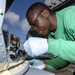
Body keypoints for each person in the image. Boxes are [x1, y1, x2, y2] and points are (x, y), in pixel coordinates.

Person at [24, 2, 75, 72]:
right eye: (32, 27)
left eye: (34, 23)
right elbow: (66, 57)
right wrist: (44, 64)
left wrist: (49, 44)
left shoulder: (71, 16)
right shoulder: (51, 35)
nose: (34, 29)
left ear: (45, 14)